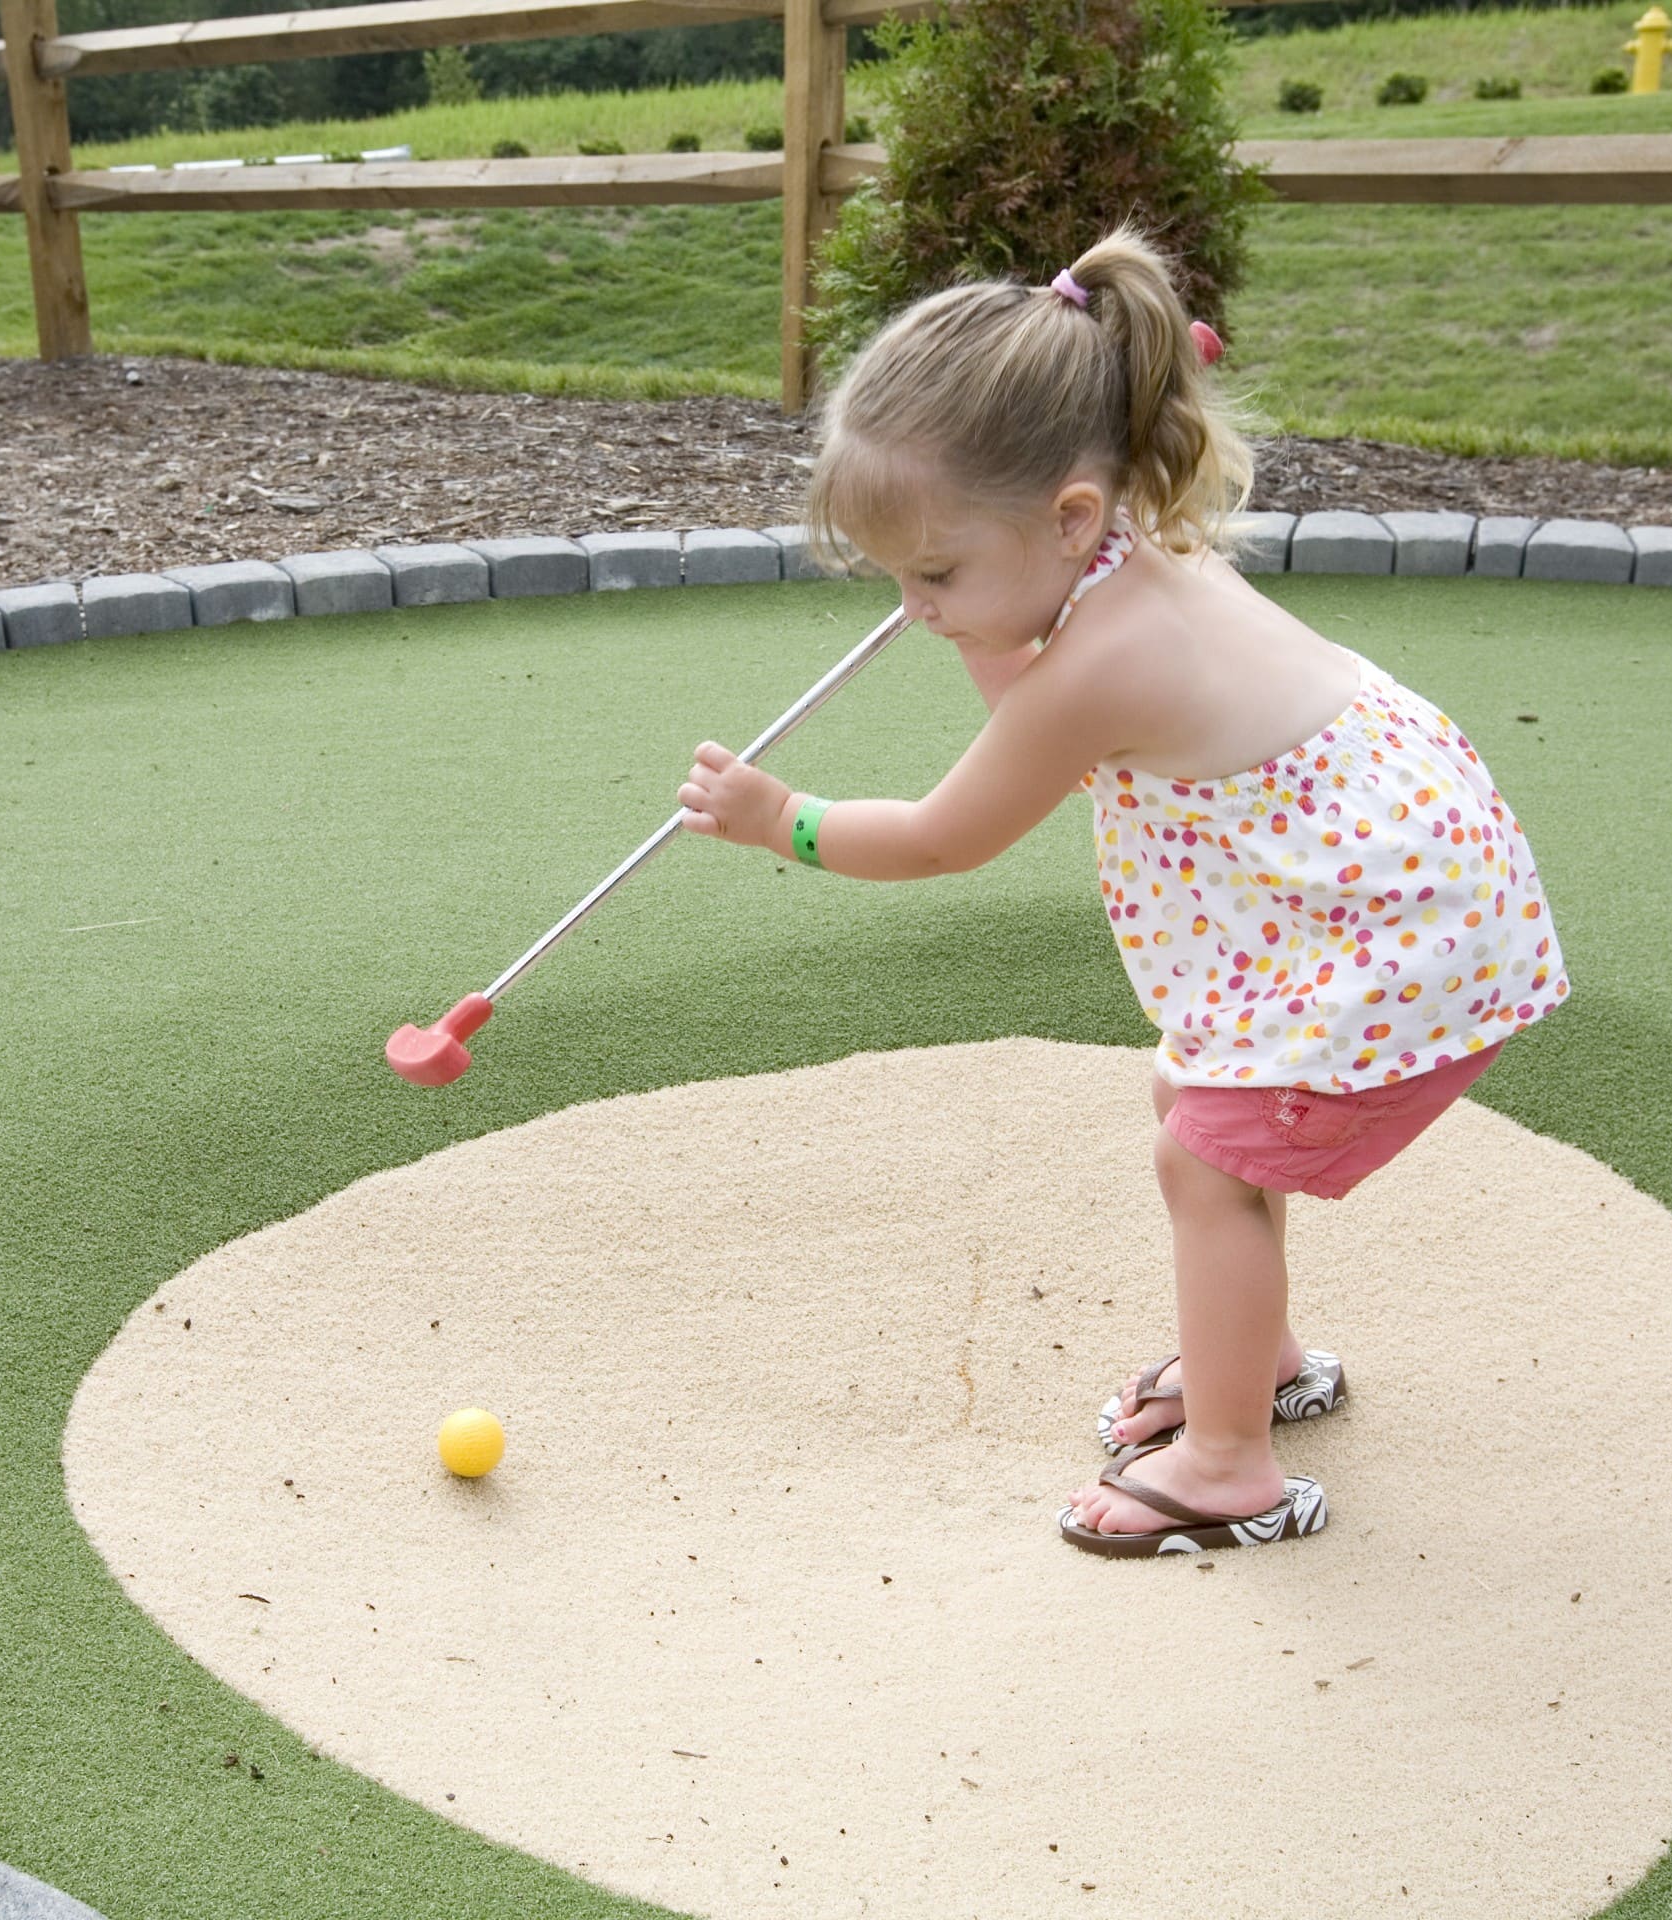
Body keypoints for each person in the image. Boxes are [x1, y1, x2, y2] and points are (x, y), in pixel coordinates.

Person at [672, 225, 1569, 1556]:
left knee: (1202, 1151)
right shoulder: (1123, 543)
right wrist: (981, 610)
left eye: (935, 573)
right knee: (1193, 1097)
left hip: (1402, 934)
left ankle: (1229, 1467)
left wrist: (778, 821)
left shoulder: (1112, 656)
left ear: (1071, 517)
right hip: (1395, 887)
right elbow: (1024, 678)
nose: (916, 608)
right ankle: (1254, 1362)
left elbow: (938, 836)